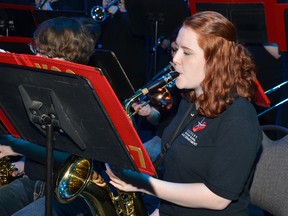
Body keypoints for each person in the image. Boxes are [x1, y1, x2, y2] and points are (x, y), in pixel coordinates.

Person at [105, 11, 263, 216]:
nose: (175, 59)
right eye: (176, 49)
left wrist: (145, 184)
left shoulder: (239, 117)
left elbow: (218, 198)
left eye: (186, 52)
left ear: (217, 61)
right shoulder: (190, 101)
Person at [0, 16, 97, 216]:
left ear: (69, 57)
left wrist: (14, 147)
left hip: (70, 194)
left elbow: (76, 162)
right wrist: (22, 164)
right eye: (37, 51)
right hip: (33, 180)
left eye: (47, 54)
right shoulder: (36, 88)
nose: (37, 59)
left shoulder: (87, 96)